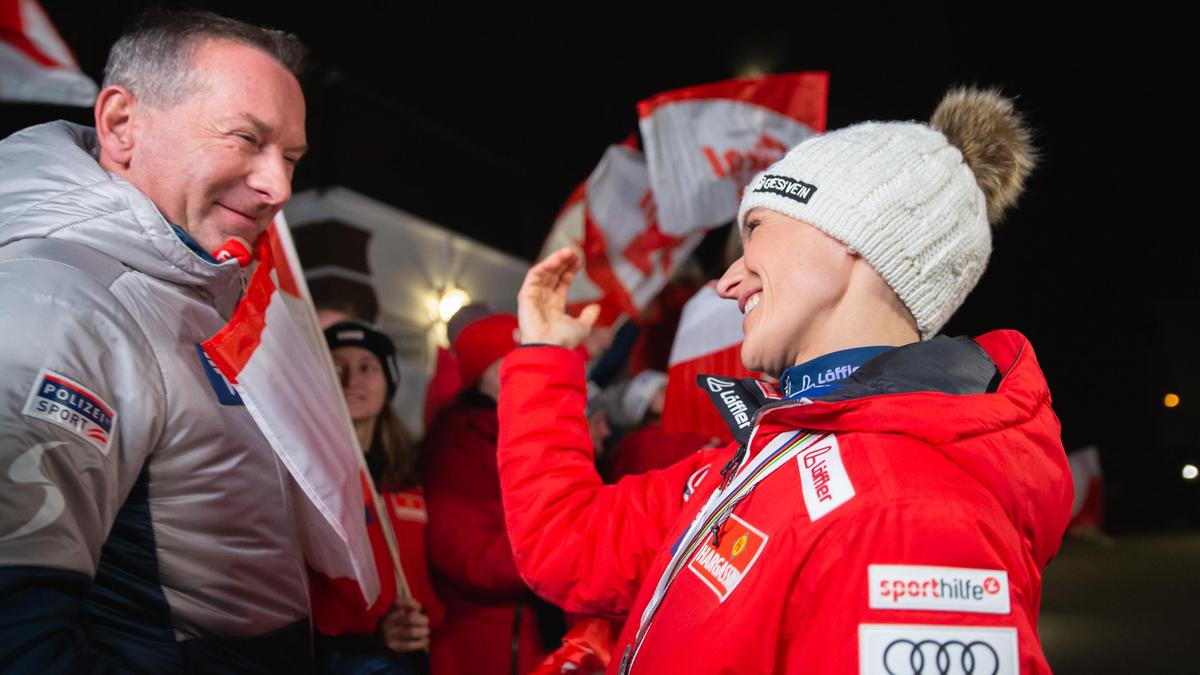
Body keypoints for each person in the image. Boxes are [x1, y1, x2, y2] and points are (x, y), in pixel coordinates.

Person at [496, 88, 1073, 674]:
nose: (727, 280)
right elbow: (569, 541)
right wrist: (545, 357)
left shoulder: (909, 516)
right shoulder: (776, 449)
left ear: (853, 238)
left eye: (756, 227)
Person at [0, 10, 315, 672]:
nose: (279, 186)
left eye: (289, 157)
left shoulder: (190, 294)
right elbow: (20, 636)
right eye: (246, 138)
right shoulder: (58, 304)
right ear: (120, 124)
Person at [422, 309, 561, 674]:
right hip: (487, 649)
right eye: (515, 357)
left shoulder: (532, 432)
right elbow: (468, 556)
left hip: (534, 641)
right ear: (488, 371)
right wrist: (562, 548)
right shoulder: (459, 442)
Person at [320, 320, 445, 673]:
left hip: (414, 657)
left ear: (387, 382)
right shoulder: (310, 478)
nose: (351, 381)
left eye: (367, 367)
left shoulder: (409, 476)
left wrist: (423, 620)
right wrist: (371, 636)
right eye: (337, 367)